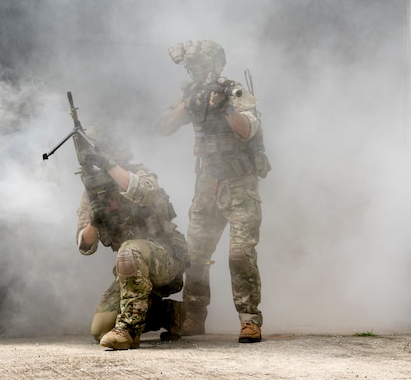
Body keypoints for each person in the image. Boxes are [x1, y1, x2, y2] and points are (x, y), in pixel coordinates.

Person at [156, 40, 270, 343]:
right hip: (207, 185)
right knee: (195, 254)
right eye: (193, 68)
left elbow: (247, 129)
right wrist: (188, 102)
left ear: (215, 65)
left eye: (202, 66)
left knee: (240, 254)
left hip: (240, 186)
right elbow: (163, 127)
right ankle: (194, 316)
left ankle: (249, 319)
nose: (198, 72)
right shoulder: (192, 95)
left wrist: (224, 107)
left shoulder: (234, 93)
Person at [75, 122, 189, 350]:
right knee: (100, 330)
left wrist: (109, 167)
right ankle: (170, 314)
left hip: (166, 259)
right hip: (132, 273)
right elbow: (84, 245)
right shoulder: (93, 194)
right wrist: (94, 222)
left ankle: (128, 330)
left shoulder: (139, 173)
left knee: (129, 250)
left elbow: (146, 193)